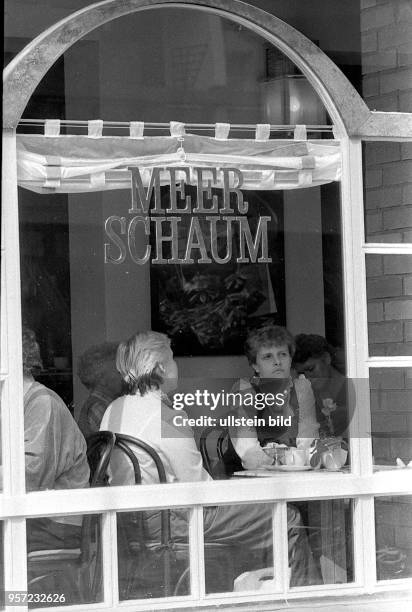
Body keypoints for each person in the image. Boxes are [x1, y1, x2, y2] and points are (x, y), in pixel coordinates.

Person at [100, 330, 317, 587]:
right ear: (160, 368)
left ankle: (257, 588)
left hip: (130, 524)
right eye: (172, 358)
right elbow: (199, 487)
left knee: (256, 516)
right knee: (287, 517)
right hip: (173, 524)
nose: (176, 365)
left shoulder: (115, 408)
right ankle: (309, 600)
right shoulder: (164, 415)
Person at [21, 328, 90, 552]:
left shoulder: (41, 403)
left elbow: (31, 477)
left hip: (55, 525)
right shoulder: (17, 402)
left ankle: (13, 590)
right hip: (34, 519)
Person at [228, 325, 322, 471]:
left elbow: (309, 440)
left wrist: (300, 460)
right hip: (250, 476)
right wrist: (283, 461)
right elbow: (248, 451)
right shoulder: (245, 390)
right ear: (255, 366)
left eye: (283, 354)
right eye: (268, 356)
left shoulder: (302, 388)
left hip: (294, 473)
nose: (277, 361)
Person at [293, 334, 350, 437]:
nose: (307, 377)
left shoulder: (351, 393)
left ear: (326, 359)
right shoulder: (309, 397)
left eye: (311, 369)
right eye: (302, 374)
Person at [77, 341, 124, 439]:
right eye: (119, 371)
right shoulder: (99, 407)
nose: (124, 376)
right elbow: (119, 446)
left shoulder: (104, 403)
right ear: (101, 378)